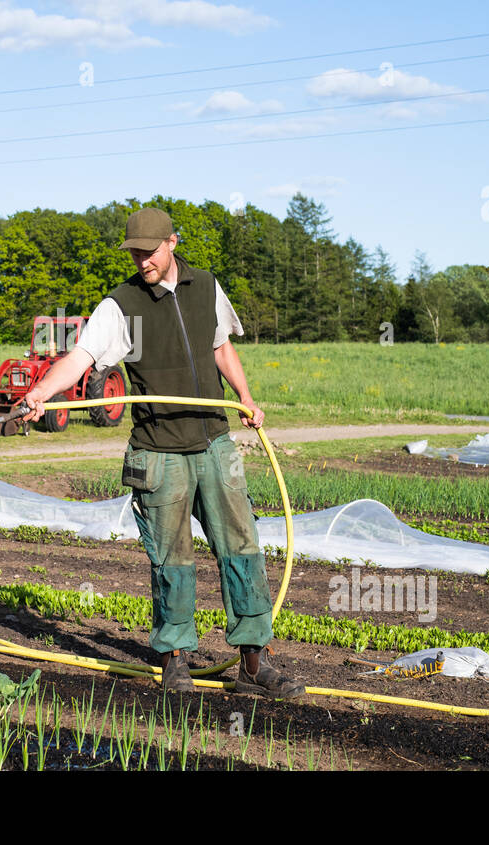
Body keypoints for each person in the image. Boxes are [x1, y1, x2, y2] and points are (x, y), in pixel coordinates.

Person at [21, 207, 307, 699]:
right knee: (171, 559)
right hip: (159, 450)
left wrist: (245, 397)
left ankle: (253, 666)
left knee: (241, 548)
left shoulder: (208, 288)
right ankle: (175, 658)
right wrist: (43, 391)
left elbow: (221, 348)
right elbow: (82, 357)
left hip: (215, 441)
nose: (142, 260)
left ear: (172, 243)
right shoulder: (121, 304)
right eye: (134, 252)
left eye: (149, 251)